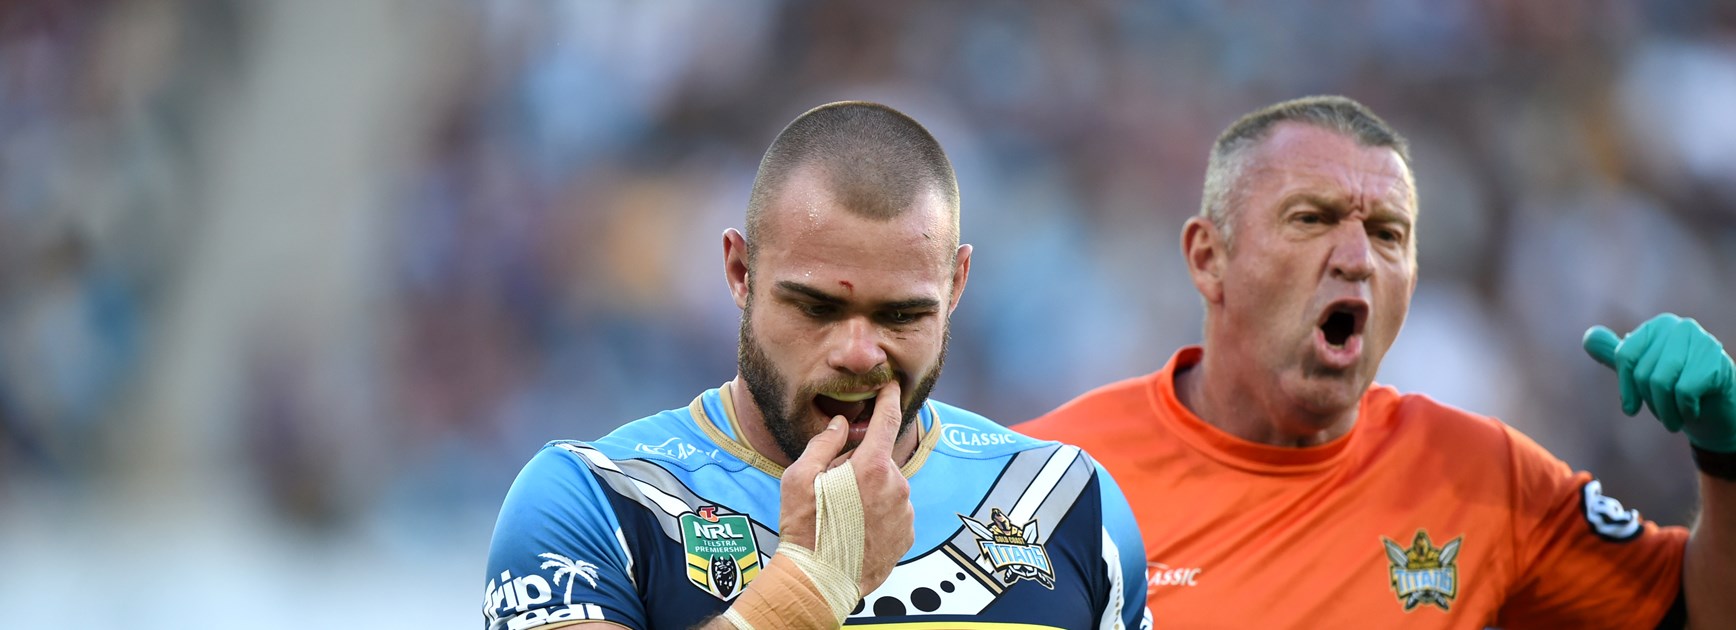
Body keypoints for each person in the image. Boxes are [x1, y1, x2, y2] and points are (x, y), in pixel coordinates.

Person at [1016, 95, 1735, 628]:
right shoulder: (1050, 480)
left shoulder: (1482, 477)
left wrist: (1726, 454)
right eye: (1310, 219)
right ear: (1209, 258)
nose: (1358, 258)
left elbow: (1702, 614)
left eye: (1389, 233)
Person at [483, 101, 1151, 630]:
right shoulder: (598, 500)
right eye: (817, 308)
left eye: (900, 315)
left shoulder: (1066, 503)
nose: (859, 352)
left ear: (956, 287)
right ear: (740, 272)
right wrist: (811, 585)